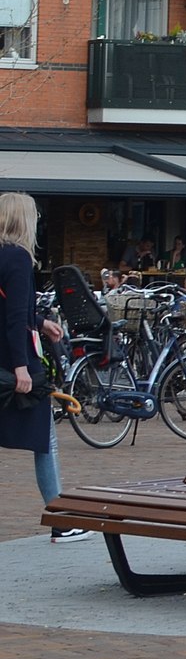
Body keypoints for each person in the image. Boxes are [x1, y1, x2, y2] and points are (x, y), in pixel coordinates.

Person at [0, 193, 90, 543]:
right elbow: (12, 318)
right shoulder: (19, 258)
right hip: (16, 365)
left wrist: (39, 321)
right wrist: (22, 366)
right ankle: (60, 519)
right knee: (45, 442)